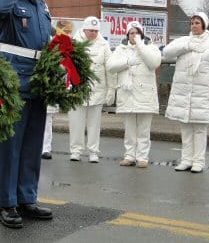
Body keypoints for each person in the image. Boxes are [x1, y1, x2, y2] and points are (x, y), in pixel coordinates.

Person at [0, 0, 53, 229]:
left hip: (38, 78)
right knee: (11, 145)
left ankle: (26, 197)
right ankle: (7, 203)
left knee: (31, 144)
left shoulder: (39, 2)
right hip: (14, 77)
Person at [163, 12, 209, 173]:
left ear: (204, 25)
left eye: (197, 23)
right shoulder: (184, 41)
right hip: (184, 94)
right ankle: (186, 160)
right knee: (186, 128)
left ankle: (198, 161)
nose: (194, 26)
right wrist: (187, 46)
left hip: (203, 95)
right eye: (192, 23)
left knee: (200, 129)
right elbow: (167, 52)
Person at [107, 21, 161, 168]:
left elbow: (154, 63)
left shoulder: (150, 48)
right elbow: (110, 66)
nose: (134, 35)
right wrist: (128, 61)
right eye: (132, 33)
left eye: (137, 32)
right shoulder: (121, 49)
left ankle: (142, 157)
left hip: (145, 95)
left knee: (143, 130)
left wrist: (140, 46)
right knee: (130, 130)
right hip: (127, 93)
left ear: (142, 34)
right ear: (127, 34)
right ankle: (130, 155)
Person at [68, 16, 116, 162]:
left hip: (97, 91)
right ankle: (76, 151)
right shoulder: (74, 43)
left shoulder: (104, 45)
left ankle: (93, 151)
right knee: (76, 123)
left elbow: (110, 69)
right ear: (84, 29)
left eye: (96, 31)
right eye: (91, 30)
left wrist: (111, 89)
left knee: (94, 124)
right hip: (77, 91)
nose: (94, 33)